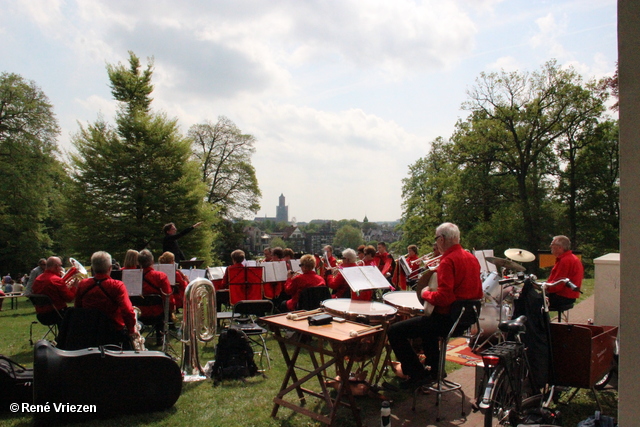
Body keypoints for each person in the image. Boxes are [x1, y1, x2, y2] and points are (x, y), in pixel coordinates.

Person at [388, 223, 483, 389]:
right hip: (465, 321)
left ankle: (417, 374)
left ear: (442, 239)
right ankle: (436, 372)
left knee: (395, 331)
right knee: (427, 329)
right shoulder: (472, 258)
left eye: (436, 239)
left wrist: (425, 293)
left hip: (447, 319)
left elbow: (444, 298)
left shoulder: (448, 261)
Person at [75, 251, 140, 348]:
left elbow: (78, 308)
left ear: (92, 268)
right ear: (110, 268)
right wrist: (131, 330)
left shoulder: (82, 284)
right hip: (113, 331)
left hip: (90, 331)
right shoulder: (117, 285)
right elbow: (127, 311)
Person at [138, 249, 172, 346]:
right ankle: (160, 338)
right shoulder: (160, 276)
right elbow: (167, 296)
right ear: (152, 262)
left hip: (138, 314)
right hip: (157, 314)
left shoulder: (133, 276)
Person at [32, 256, 78, 325]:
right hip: (57, 314)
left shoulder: (37, 279)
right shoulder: (56, 280)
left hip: (41, 315)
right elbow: (70, 298)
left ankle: (62, 334)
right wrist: (74, 287)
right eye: (60, 266)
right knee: (80, 313)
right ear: (56, 266)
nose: (61, 268)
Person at [546, 235, 583, 307]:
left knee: (530, 301)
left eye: (552, 244)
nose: (550, 246)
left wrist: (544, 287)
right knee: (534, 298)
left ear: (560, 247)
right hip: (566, 295)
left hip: (563, 296)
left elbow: (557, 286)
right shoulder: (569, 258)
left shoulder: (565, 260)